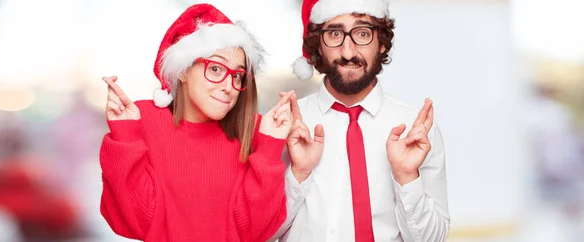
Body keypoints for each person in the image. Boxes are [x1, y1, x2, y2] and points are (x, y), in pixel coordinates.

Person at [99, 4, 294, 241]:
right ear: (182, 70)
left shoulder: (254, 129)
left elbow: (254, 231)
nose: (227, 86)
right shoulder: (143, 119)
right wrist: (126, 136)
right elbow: (136, 222)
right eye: (215, 69)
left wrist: (269, 148)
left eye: (237, 75)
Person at [271, 0, 450, 241]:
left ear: (382, 43)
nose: (347, 52)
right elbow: (262, 234)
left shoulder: (415, 128)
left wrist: (406, 176)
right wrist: (299, 173)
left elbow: (434, 239)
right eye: (334, 33)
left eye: (362, 33)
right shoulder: (284, 124)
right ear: (318, 45)